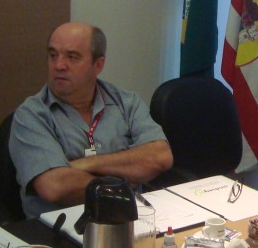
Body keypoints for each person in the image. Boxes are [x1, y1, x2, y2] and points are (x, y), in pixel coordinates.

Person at [10, 22, 173, 217]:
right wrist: (122, 182)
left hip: (129, 219)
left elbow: (160, 157)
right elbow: (55, 186)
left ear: (98, 65)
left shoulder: (126, 102)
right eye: (53, 55)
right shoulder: (30, 115)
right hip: (61, 227)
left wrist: (85, 164)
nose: (59, 65)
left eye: (72, 57)